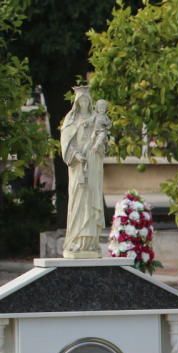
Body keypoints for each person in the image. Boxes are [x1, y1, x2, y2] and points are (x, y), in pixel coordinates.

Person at [60, 86, 106, 258]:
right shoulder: (70, 120)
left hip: (93, 165)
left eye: (87, 100)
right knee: (78, 202)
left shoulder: (96, 118)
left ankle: (91, 243)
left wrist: (97, 146)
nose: (84, 103)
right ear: (76, 103)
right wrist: (76, 155)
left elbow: (103, 140)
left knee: (91, 199)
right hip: (78, 167)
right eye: (81, 101)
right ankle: (76, 241)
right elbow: (66, 143)